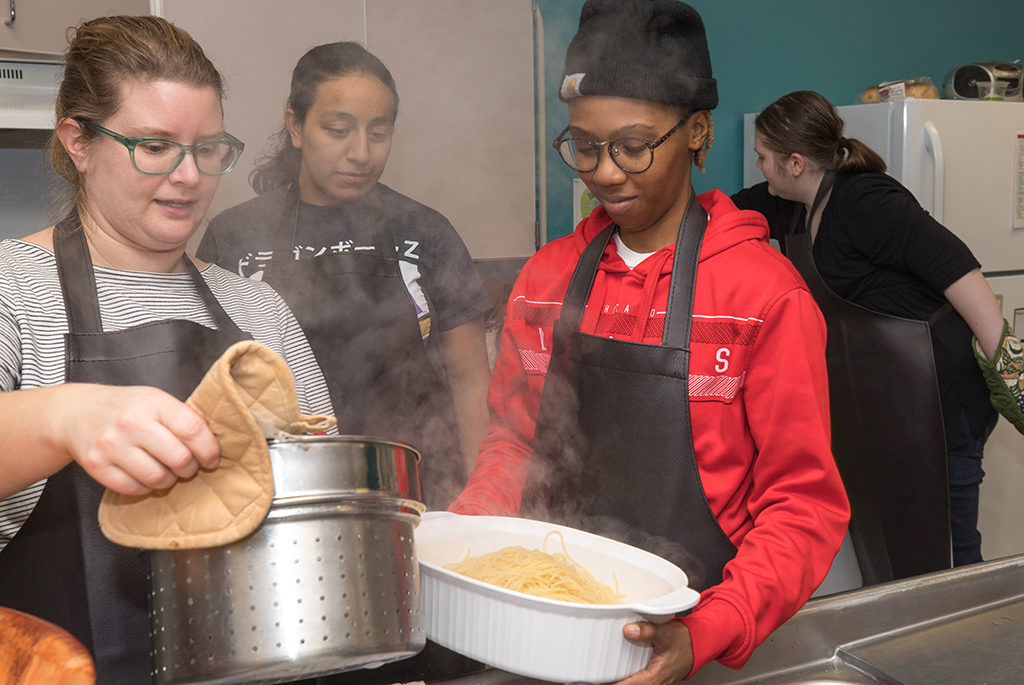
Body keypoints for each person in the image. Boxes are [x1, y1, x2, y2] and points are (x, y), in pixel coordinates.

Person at [448, 1, 850, 681]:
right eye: (583, 145)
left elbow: (803, 506)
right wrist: (461, 540)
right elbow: (514, 445)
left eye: (633, 145)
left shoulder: (763, 297)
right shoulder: (544, 282)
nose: (605, 172)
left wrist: (708, 629)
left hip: (703, 643)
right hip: (549, 630)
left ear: (698, 131)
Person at [0, 16, 334, 682]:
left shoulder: (257, 309)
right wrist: (63, 415)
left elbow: (320, 496)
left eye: (208, 149)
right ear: (79, 143)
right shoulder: (13, 286)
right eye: (153, 146)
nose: (189, 176)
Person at [197, 42, 492, 506]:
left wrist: (481, 499)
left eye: (379, 132)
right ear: (295, 126)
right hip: (284, 494)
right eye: (338, 130)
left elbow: (471, 379)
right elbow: (214, 387)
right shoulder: (236, 237)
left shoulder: (426, 232)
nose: (361, 152)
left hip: (420, 486)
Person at [731, 89, 1013, 568]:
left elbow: (959, 272)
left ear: (795, 163)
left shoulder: (865, 199)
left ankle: (962, 635)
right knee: (901, 533)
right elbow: (721, 213)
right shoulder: (788, 204)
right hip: (891, 392)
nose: (758, 165)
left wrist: (1012, 374)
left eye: (763, 157)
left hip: (943, 388)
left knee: (946, 538)